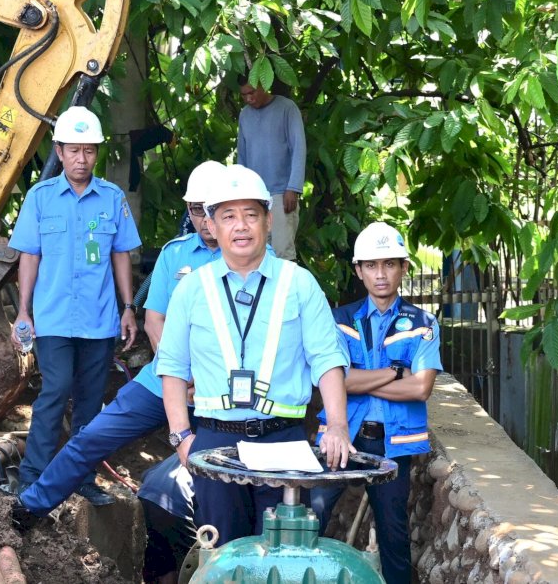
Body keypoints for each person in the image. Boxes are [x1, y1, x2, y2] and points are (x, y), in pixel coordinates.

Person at [10, 160, 224, 522]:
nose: (205, 220)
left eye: (213, 211)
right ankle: (30, 505)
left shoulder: (255, 262)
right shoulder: (176, 253)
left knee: (211, 472)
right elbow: (155, 319)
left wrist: (204, 379)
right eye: (196, 210)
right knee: (92, 434)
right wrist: (178, 372)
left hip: (221, 390)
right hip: (165, 378)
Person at [158, 163, 353, 546]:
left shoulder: (299, 283)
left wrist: (337, 425)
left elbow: (327, 359)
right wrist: (183, 439)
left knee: (283, 553)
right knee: (224, 554)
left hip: (284, 441)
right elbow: (172, 369)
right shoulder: (191, 289)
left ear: (268, 222)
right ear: (211, 227)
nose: (241, 226)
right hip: (214, 442)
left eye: (251, 215)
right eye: (228, 216)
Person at [9, 106, 141, 507]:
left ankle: (82, 478)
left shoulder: (112, 198)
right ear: (60, 151)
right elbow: (29, 257)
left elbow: (121, 256)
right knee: (56, 388)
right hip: (52, 318)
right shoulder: (40, 197)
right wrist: (23, 311)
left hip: (99, 320)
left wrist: (128, 306)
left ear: (96, 153)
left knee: (89, 399)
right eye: (74, 150)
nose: (81, 159)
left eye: (89, 150)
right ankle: (32, 476)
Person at [311, 222, 441, 584]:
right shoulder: (340, 320)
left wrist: (358, 381)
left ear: (403, 268)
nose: (380, 274)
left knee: (393, 536)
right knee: (312, 519)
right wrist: (396, 373)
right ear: (359, 271)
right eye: (371, 265)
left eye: (389, 265)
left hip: (391, 442)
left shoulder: (422, 322)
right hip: (341, 435)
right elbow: (338, 380)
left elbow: (421, 389)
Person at [235, 74, 305, 261]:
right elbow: (241, 156)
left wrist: (293, 187)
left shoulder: (287, 108)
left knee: (283, 252)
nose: (249, 98)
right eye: (244, 95)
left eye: (252, 92)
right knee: (256, 253)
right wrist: (240, 193)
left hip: (281, 193)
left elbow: (299, 148)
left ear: (264, 85)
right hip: (254, 195)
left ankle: (287, 291)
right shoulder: (244, 115)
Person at [138, 456, 195, 584]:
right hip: (176, 505)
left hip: (145, 499)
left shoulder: (179, 453)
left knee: (163, 562)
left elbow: (145, 475)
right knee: (193, 563)